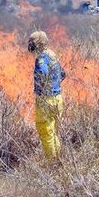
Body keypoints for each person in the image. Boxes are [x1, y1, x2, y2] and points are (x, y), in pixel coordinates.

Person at [28, 31, 66, 161]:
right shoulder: (53, 56)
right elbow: (63, 74)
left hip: (46, 101)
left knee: (45, 133)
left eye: (31, 43)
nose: (29, 46)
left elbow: (42, 73)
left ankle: (52, 163)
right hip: (58, 98)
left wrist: (42, 89)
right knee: (53, 132)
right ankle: (58, 158)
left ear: (37, 44)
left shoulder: (41, 59)